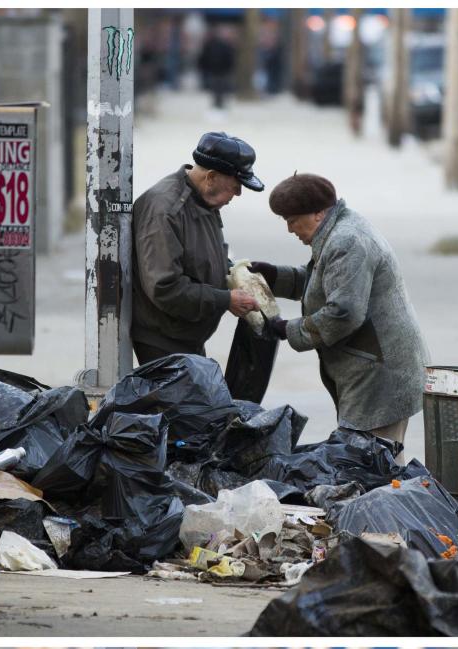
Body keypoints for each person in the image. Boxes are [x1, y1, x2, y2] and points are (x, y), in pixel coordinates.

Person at [248, 173, 427, 451]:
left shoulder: (346, 240)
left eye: (292, 219)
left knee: (371, 460)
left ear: (318, 214)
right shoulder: (338, 228)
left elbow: (343, 312)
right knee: (379, 459)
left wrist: (288, 329)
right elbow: (324, 285)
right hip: (372, 364)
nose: (289, 229)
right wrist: (273, 275)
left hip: (378, 371)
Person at [131, 132, 263, 366]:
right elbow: (165, 288)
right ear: (211, 177)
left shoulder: (205, 199)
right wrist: (225, 300)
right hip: (163, 341)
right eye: (235, 185)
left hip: (186, 337)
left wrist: (236, 276)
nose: (238, 193)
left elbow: (206, 256)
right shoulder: (165, 210)